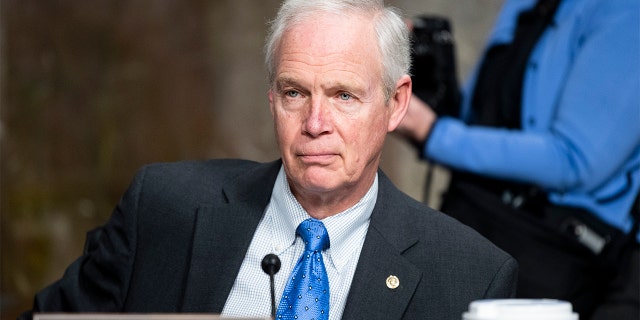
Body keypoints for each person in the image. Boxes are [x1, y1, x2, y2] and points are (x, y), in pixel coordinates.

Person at [20, 1, 519, 320]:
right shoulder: (162, 208)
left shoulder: (469, 275)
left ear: (396, 103)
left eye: (344, 95)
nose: (315, 122)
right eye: (295, 92)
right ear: (272, 98)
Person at [396, 0, 639, 319]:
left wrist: (434, 133)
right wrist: (429, 91)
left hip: (546, 253)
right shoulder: (522, 5)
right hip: (470, 220)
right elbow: (483, 125)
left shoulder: (626, 13)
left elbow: (575, 160)